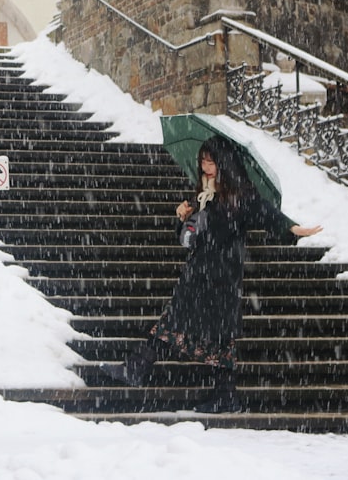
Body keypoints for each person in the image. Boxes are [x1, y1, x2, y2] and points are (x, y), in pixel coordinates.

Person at [103, 135, 322, 413]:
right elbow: (187, 238)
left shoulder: (240, 197)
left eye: (211, 160)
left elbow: (267, 214)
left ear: (225, 163)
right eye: (203, 160)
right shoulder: (202, 196)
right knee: (174, 320)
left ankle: (220, 394)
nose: (206, 166)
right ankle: (143, 371)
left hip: (223, 276)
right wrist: (181, 217)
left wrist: (292, 228)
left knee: (219, 335)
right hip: (197, 272)